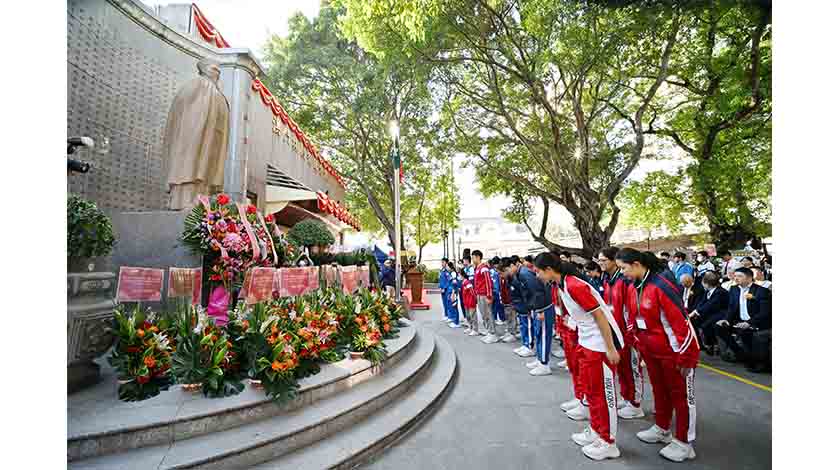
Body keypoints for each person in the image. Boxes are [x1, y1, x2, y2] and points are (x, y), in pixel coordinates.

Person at [535, 252, 624, 461]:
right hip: (586, 342)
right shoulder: (561, 284)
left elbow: (600, 316)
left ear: (549, 270)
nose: (537, 276)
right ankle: (596, 430)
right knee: (591, 392)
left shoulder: (574, 285)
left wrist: (610, 348)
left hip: (600, 345)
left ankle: (608, 442)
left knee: (603, 395)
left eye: (538, 271)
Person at [617, 248, 700, 463]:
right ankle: (662, 428)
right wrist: (637, 343)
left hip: (674, 353)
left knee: (681, 398)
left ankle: (685, 443)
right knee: (660, 391)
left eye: (624, 268)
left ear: (636, 264)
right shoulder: (634, 287)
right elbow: (634, 318)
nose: (622, 273)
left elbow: (682, 324)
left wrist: (686, 357)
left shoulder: (661, 286)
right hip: (652, 352)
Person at [598, 247, 645, 420]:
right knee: (622, 369)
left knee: (632, 369)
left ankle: (636, 404)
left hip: (627, 334)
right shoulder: (607, 280)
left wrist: (631, 334)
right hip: (615, 333)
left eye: (603, 260)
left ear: (613, 261)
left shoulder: (625, 281)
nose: (600, 263)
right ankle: (627, 398)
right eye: (599, 260)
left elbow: (631, 309)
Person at [715, 268, 772, 372]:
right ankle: (740, 354)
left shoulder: (761, 291)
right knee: (719, 327)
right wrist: (726, 319)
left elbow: (764, 312)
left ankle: (756, 362)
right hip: (739, 321)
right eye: (735, 276)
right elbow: (731, 307)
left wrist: (749, 323)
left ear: (749, 278)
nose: (736, 278)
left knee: (746, 333)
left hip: (756, 322)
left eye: (740, 276)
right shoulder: (734, 289)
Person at [689, 272, 728, 355]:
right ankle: (701, 343)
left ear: (706, 284)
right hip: (711, 312)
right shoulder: (708, 291)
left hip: (721, 313)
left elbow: (710, 304)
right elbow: (702, 302)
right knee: (694, 321)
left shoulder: (720, 292)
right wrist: (695, 311)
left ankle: (711, 344)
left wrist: (697, 312)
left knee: (706, 325)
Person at [472, 250, 498, 343]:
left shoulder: (484, 268)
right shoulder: (477, 268)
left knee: (488, 314)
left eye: (473, 257)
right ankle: (489, 331)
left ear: (478, 257)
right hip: (479, 294)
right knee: (484, 314)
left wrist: (489, 296)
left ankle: (493, 333)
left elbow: (488, 282)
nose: (472, 259)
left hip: (484, 295)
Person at [498, 258, 518, 343]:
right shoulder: (503, 278)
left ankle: (512, 333)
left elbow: (511, 291)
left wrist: (511, 301)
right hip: (505, 301)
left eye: (500, 273)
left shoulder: (510, 278)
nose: (500, 275)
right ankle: (509, 332)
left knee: (512, 317)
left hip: (510, 301)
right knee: (508, 317)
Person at [459, 268, 479, 335]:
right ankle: (470, 327)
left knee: (473, 316)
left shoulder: (467, 282)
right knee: (468, 316)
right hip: (466, 302)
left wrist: (475, 300)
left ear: (462, 275)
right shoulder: (463, 283)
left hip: (471, 302)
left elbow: (472, 292)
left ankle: (475, 330)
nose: (459, 277)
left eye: (459, 275)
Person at [490, 257, 506, 326]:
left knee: (496, 306)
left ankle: (497, 318)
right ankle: (499, 318)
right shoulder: (495, 271)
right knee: (497, 305)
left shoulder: (493, 271)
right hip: (496, 290)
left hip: (495, 290)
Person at [439, 259, 453, 323]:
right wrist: (440, 287)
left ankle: (450, 316)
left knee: (448, 303)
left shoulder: (447, 271)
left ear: (446, 263)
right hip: (442, 289)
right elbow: (440, 280)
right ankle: (446, 315)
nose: (442, 263)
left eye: (443, 262)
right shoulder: (442, 270)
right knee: (444, 303)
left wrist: (444, 288)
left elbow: (448, 280)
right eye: (441, 262)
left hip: (446, 289)